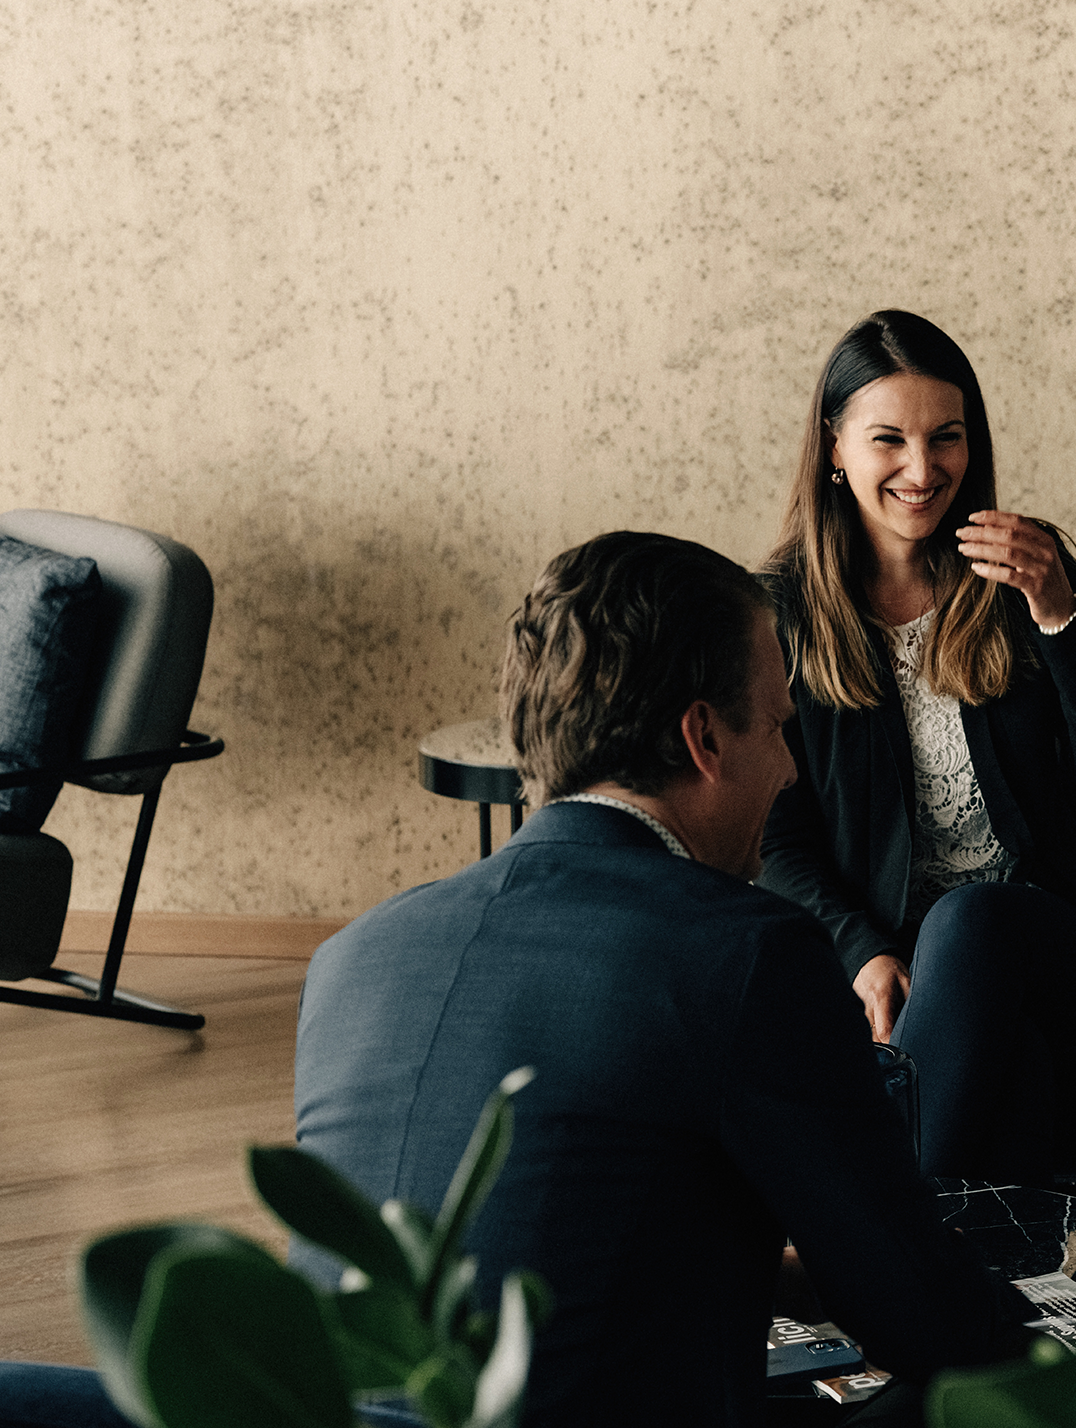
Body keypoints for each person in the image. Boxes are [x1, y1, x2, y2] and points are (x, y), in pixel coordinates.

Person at [291, 533, 1030, 1426]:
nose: (792, 768)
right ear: (705, 737)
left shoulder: (351, 957)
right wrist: (1062, 1343)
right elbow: (926, 1322)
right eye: (777, 726)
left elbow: (540, 1237)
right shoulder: (749, 951)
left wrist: (787, 1275)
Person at [755, 310, 1076, 1182]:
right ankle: (1003, 1292)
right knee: (1015, 1070)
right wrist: (861, 951)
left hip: (1040, 935)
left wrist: (1063, 616)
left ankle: (877, 1247)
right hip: (885, 953)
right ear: (835, 448)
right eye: (890, 440)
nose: (924, 470)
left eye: (946, 439)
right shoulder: (779, 615)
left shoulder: (1022, 572)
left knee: (972, 921)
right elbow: (777, 836)